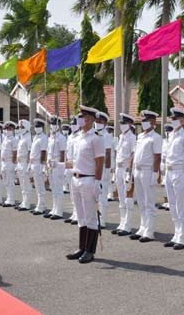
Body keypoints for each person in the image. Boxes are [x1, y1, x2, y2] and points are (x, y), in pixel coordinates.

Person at [65, 106, 105, 264]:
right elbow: (75, 161)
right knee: (81, 216)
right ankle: (82, 247)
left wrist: (98, 182)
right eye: (81, 118)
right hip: (76, 178)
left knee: (90, 217)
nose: (82, 121)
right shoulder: (77, 138)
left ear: (92, 120)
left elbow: (99, 162)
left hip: (89, 179)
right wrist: (59, 164)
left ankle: (90, 250)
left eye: (86, 119)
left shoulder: (96, 138)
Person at [163, 108, 184, 250]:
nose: (172, 120)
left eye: (175, 119)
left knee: (181, 205)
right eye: (172, 118)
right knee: (172, 204)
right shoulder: (171, 135)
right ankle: (176, 233)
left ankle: (182, 236)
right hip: (169, 172)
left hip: (179, 172)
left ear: (182, 120)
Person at [129, 110, 162, 243]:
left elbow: (158, 157)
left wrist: (155, 173)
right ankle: (143, 227)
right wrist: (130, 172)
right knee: (141, 201)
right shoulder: (141, 136)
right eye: (142, 120)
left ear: (153, 122)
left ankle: (150, 230)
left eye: (146, 120)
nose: (144, 123)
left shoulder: (156, 137)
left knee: (149, 202)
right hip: (137, 171)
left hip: (148, 171)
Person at [112, 113, 136, 236]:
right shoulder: (120, 136)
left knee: (128, 198)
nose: (122, 125)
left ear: (130, 124)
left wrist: (129, 171)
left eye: (124, 123)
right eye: (121, 123)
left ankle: (128, 225)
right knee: (121, 198)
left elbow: (133, 154)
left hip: (126, 169)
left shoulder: (132, 137)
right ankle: (122, 222)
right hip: (118, 168)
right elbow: (117, 153)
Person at [45, 116, 67, 220]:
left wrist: (61, 166)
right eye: (51, 124)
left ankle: (59, 211)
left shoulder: (61, 138)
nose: (53, 126)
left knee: (58, 188)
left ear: (59, 126)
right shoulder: (50, 137)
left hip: (57, 165)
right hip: (50, 165)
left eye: (55, 124)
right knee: (53, 188)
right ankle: (54, 208)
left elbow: (63, 153)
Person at [94, 111, 113, 227]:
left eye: (100, 121)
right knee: (94, 196)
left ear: (105, 123)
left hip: (103, 170)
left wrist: (107, 171)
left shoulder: (106, 136)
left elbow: (108, 154)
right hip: (94, 169)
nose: (97, 123)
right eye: (96, 121)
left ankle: (102, 219)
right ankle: (95, 218)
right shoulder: (94, 134)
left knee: (102, 195)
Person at [65, 118, 81, 224]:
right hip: (69, 166)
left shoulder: (80, 136)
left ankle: (79, 215)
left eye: (74, 124)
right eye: (71, 124)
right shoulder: (70, 137)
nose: (72, 125)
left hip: (77, 166)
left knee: (78, 193)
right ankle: (74, 213)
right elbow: (67, 153)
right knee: (72, 192)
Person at [30, 119, 48, 215]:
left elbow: (43, 152)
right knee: (37, 186)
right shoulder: (36, 137)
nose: (37, 128)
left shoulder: (43, 138)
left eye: (39, 126)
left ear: (42, 127)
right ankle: (41, 205)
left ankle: (41, 206)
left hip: (39, 164)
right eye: (36, 126)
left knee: (40, 186)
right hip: (34, 164)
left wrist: (42, 165)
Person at [16, 120, 33, 211]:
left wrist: (29, 164)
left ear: (26, 128)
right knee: (22, 184)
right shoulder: (21, 137)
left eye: (22, 127)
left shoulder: (28, 137)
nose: (20, 129)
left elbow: (30, 151)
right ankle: (23, 202)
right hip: (19, 163)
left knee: (27, 184)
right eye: (19, 127)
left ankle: (27, 203)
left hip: (25, 162)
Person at [1, 121, 18, 207]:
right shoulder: (5, 139)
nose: (8, 130)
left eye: (10, 129)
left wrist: (13, 163)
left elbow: (15, 152)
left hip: (9, 162)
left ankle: (11, 200)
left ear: (13, 130)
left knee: (10, 181)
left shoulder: (13, 139)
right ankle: (8, 198)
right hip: (4, 162)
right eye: (7, 129)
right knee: (5, 181)